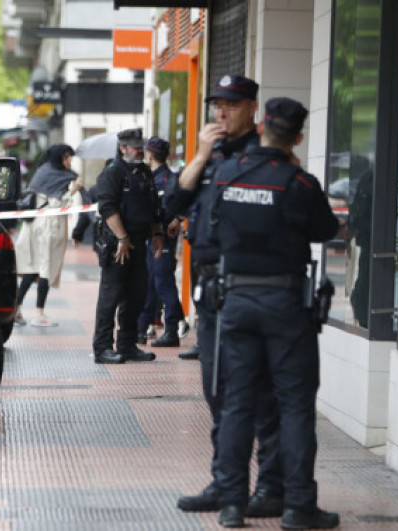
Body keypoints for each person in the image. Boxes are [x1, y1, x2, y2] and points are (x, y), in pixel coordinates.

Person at [210, 97, 339, 529]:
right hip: (286, 306)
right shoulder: (299, 183)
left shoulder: (227, 174)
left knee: (237, 406)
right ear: (297, 137)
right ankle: (298, 508)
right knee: (296, 407)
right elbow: (326, 230)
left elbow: (211, 227)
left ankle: (231, 504)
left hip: (238, 303)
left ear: (262, 124)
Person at [164, 75, 284, 517]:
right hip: (213, 292)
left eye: (231, 105)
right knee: (219, 392)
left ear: (252, 107)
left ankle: (271, 487)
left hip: (255, 289)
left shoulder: (266, 154)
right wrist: (198, 155)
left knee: (263, 396)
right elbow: (174, 204)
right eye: (217, 104)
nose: (221, 113)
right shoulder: (208, 155)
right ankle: (225, 482)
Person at [91, 128, 162, 364]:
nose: (139, 150)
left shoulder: (143, 172)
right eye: (134, 146)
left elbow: (152, 205)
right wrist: (122, 238)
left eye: (140, 146)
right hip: (117, 244)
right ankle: (102, 348)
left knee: (136, 296)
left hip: (139, 243)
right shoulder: (112, 172)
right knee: (111, 296)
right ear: (122, 148)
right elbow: (108, 208)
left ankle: (127, 345)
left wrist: (157, 233)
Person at [13, 144, 78, 327]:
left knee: (32, 269)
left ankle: (17, 310)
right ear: (59, 157)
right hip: (48, 227)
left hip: (34, 226)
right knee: (46, 269)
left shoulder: (43, 171)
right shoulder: (60, 176)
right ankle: (39, 314)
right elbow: (56, 203)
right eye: (67, 157)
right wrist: (72, 191)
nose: (69, 161)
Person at [136, 137, 183, 348]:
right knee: (151, 285)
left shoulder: (164, 179)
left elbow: (173, 207)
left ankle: (171, 330)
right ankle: (140, 328)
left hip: (162, 237)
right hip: (154, 239)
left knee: (163, 284)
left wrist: (177, 220)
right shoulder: (159, 177)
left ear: (150, 154)